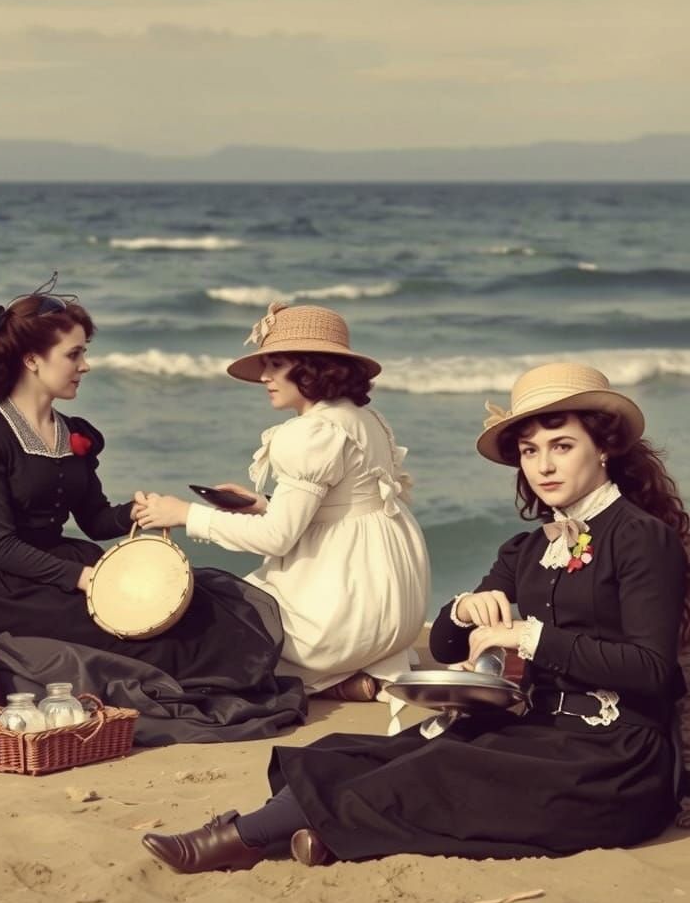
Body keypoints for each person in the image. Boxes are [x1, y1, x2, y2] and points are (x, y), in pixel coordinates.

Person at [141, 361, 689, 872]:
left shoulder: (643, 539)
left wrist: (527, 635)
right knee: (354, 750)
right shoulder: (526, 547)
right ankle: (318, 837)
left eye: (562, 446)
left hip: (614, 759)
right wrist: (462, 610)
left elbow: (652, 670)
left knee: (439, 769)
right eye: (529, 450)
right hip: (535, 729)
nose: (542, 465)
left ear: (604, 450)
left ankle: (242, 840)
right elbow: (450, 644)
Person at [0, 275, 306, 744]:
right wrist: (84, 579)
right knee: (126, 629)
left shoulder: (72, 432)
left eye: (83, 352)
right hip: (0, 581)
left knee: (195, 605)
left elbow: (94, 521)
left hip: (62, 560)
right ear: (32, 360)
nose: (85, 366)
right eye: (74, 355)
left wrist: (138, 512)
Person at [134, 302, 430, 707]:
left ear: (312, 369)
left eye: (276, 364)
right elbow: (341, 506)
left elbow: (277, 539)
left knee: (212, 611)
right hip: (393, 613)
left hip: (344, 616)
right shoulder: (365, 419)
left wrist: (187, 515)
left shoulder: (311, 433)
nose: (264, 377)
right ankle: (348, 680)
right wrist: (261, 504)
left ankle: (325, 676)